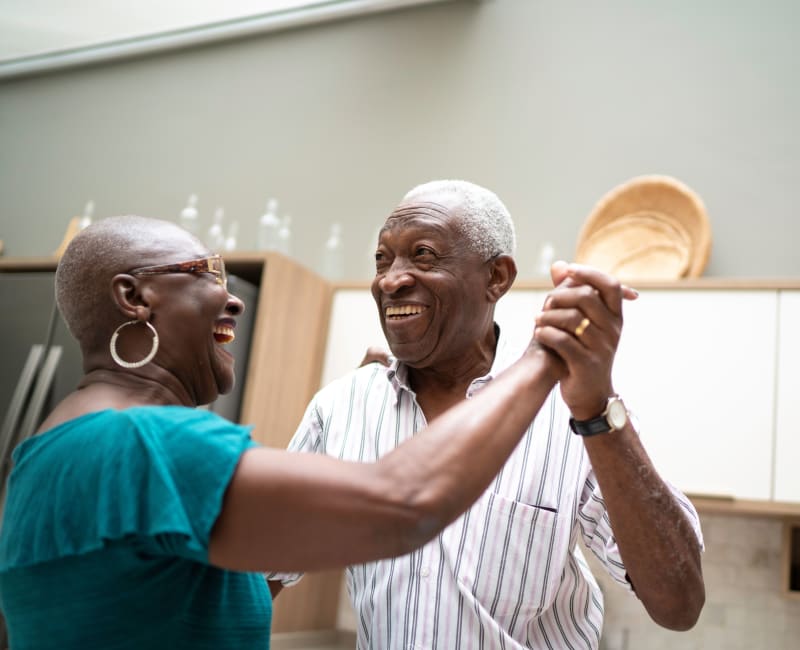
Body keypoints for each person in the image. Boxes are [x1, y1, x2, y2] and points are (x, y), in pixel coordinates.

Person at [0, 215, 569, 650]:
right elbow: (407, 504)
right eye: (206, 274)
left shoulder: (45, 452)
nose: (231, 299)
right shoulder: (149, 445)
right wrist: (544, 358)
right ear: (134, 298)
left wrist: (363, 405)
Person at [267, 180, 705, 649]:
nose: (391, 279)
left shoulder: (570, 410)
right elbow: (262, 572)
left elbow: (678, 604)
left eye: (423, 255)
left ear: (496, 277)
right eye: (382, 259)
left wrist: (597, 410)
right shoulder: (341, 409)